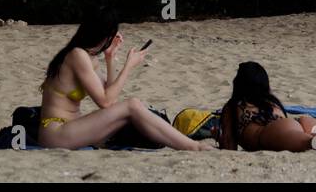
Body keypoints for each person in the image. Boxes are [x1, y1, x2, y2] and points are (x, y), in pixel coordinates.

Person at [38, 15, 209, 151]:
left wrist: (110, 57)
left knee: (132, 111)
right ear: (103, 35)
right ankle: (193, 146)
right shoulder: (77, 55)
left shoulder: (85, 56)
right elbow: (106, 102)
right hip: (56, 133)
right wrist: (129, 66)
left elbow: (109, 92)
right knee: (132, 105)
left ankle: (188, 144)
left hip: (73, 129)